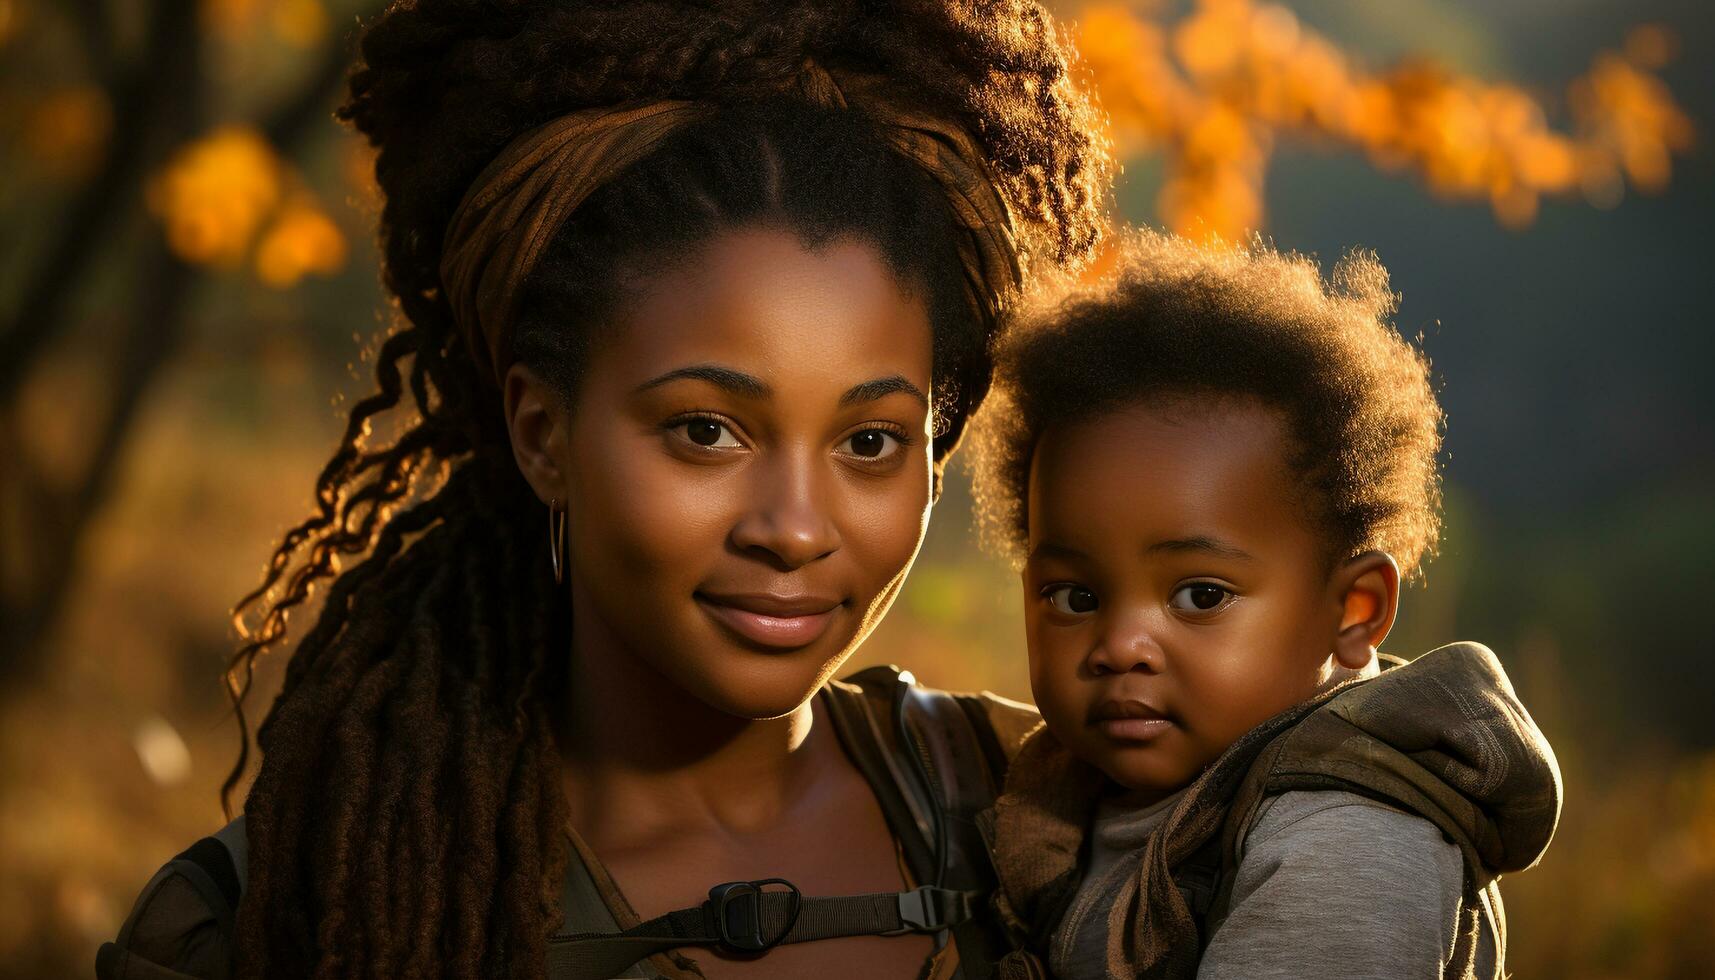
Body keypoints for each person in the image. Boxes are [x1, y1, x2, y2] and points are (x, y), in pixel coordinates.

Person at [94, 1, 1111, 978]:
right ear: (542, 433)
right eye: (705, 431)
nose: (795, 527)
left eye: (870, 440)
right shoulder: (297, 910)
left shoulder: (1060, 809)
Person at [966, 229, 1564, 979]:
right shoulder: (1057, 794)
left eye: (1199, 595)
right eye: (1075, 595)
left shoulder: (1347, 841)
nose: (1119, 644)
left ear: (1354, 610)